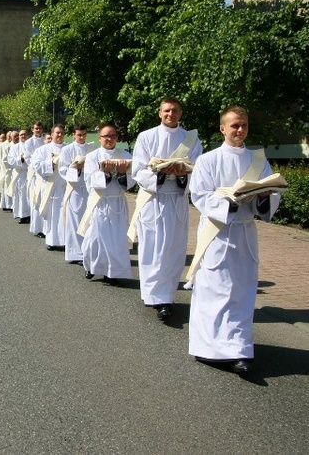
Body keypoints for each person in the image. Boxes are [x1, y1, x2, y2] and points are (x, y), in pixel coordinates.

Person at [188, 106, 280, 374]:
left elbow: (272, 192)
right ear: (222, 128)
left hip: (244, 232)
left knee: (242, 289)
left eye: (244, 126)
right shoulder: (208, 160)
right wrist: (231, 200)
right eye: (235, 126)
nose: (240, 130)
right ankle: (208, 348)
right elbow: (201, 196)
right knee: (214, 290)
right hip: (217, 231)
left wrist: (263, 196)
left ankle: (239, 350)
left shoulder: (258, 161)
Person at [130, 97, 202, 321]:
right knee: (152, 248)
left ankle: (166, 298)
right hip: (153, 198)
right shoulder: (146, 136)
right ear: (160, 113)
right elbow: (138, 170)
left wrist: (183, 175)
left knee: (173, 249)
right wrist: (160, 174)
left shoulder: (191, 139)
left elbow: (199, 170)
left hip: (176, 199)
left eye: (175, 111)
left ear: (181, 114)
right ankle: (153, 294)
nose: (171, 114)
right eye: (167, 111)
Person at [79, 123, 134, 284]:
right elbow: (89, 180)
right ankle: (91, 266)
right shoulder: (92, 156)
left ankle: (112, 272)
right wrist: (106, 173)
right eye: (106, 136)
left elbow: (132, 180)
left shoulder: (125, 155)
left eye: (113, 136)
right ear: (100, 138)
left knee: (116, 240)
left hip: (117, 202)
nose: (109, 139)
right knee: (94, 238)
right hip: (99, 201)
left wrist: (123, 173)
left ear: (117, 138)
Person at [59, 125, 93, 263]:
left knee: (88, 220)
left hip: (89, 188)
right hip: (75, 188)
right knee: (74, 221)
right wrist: (76, 169)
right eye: (79, 135)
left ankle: (86, 250)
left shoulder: (92, 149)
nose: (82, 137)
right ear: (73, 135)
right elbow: (62, 169)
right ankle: (74, 253)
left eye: (84, 134)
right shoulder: (67, 150)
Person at [30, 124, 67, 251]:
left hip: (65, 187)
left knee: (65, 215)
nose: (59, 135)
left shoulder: (68, 149)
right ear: (51, 134)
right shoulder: (42, 150)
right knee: (52, 215)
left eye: (62, 132)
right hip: (50, 187)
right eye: (57, 133)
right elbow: (37, 165)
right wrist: (51, 163)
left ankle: (66, 240)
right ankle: (52, 240)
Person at [24, 122, 45, 235]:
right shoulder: (28, 142)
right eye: (36, 128)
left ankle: (45, 227)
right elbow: (27, 158)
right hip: (34, 174)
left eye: (40, 128)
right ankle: (37, 228)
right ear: (32, 129)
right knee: (36, 200)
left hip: (46, 174)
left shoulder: (46, 140)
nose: (38, 130)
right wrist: (38, 163)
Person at [7, 129, 31, 223]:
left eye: (25, 135)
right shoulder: (14, 147)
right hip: (20, 174)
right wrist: (21, 159)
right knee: (21, 195)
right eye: (21, 135)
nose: (23, 136)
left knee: (30, 195)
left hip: (30, 173)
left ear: (27, 135)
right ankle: (22, 215)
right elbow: (10, 161)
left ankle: (30, 214)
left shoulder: (30, 146)